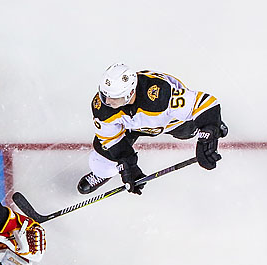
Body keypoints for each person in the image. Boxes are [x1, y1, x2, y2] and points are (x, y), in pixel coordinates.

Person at [77, 63, 228, 195]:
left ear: (130, 93)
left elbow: (206, 103)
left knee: (190, 131)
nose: (107, 102)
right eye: (105, 95)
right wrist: (128, 164)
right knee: (101, 161)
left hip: (169, 120)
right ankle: (102, 173)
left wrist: (209, 130)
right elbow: (110, 138)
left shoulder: (160, 95)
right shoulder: (102, 107)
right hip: (130, 126)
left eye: (114, 98)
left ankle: (214, 123)